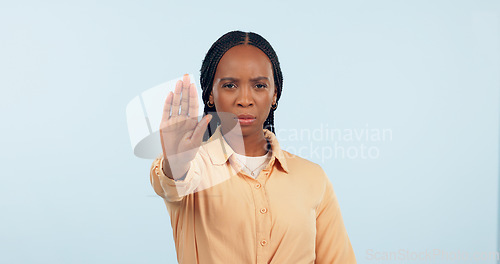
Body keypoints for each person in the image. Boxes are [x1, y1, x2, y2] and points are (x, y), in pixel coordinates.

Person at [149, 31, 356, 264]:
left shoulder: (312, 177)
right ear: (210, 95)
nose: (245, 99)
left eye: (259, 85)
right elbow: (170, 183)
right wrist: (176, 163)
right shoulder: (193, 169)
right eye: (229, 85)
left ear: (274, 93)